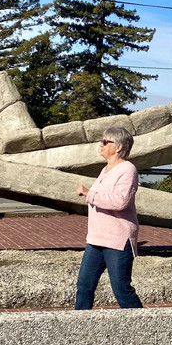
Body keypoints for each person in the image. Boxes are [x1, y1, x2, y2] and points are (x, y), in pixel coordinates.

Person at [73, 126, 143, 310]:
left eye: (105, 141)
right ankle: (77, 328)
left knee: (121, 289)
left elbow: (120, 202)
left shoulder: (128, 170)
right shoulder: (105, 170)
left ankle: (145, 326)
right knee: (84, 286)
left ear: (118, 147)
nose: (101, 144)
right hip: (96, 239)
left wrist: (89, 194)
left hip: (118, 240)